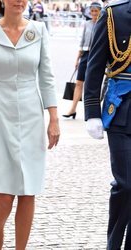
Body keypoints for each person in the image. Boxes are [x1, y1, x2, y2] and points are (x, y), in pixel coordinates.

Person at [0, 0, 60, 248]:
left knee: (29, 189)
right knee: (4, 191)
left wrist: (54, 118)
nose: (19, 1)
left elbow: (47, 77)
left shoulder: (38, 31)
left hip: (31, 114)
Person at [84, 0, 131, 248]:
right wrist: (91, 110)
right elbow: (95, 64)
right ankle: (113, 244)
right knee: (125, 184)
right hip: (122, 108)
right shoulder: (114, 15)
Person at [63, 2, 101, 119]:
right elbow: (82, 42)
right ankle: (72, 109)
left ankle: (91, 112)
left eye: (96, 11)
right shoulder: (86, 24)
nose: (94, 13)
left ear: (100, 11)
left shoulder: (103, 24)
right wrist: (77, 59)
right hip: (85, 54)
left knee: (92, 84)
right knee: (79, 82)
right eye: (92, 11)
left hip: (97, 55)